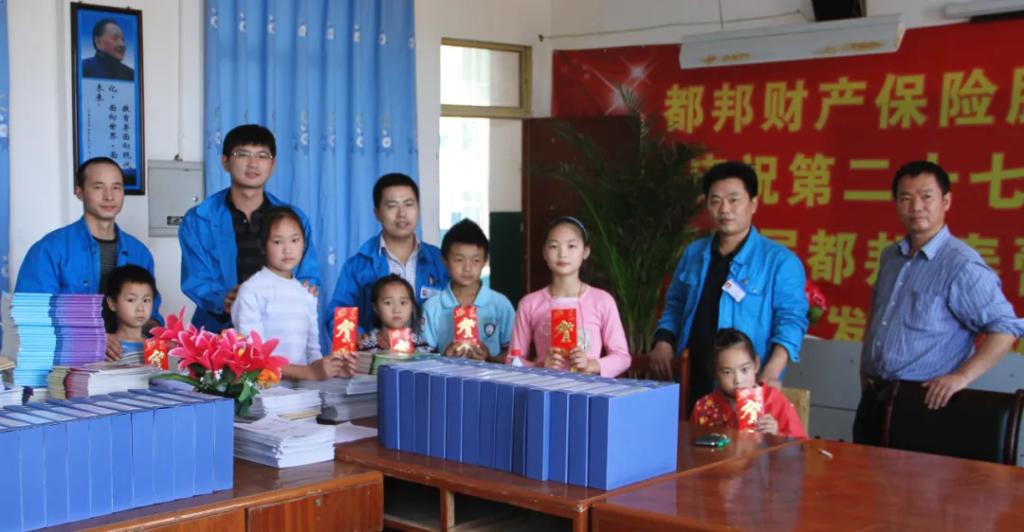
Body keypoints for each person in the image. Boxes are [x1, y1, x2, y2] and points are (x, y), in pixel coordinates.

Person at [854, 161, 1024, 444]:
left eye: (926, 197)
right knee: (861, 472)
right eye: (905, 198)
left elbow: (1006, 329)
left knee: (910, 475)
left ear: (946, 201)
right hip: (873, 398)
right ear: (895, 203)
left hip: (922, 404)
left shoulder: (961, 264)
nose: (916, 207)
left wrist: (961, 377)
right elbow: (878, 314)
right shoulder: (891, 257)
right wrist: (864, 368)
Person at [648, 161, 808, 415]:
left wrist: (771, 371)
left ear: (753, 204)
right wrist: (663, 341)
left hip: (745, 385)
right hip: (691, 378)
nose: (724, 209)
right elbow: (675, 304)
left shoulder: (780, 261)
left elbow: (791, 322)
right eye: (715, 201)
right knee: (687, 438)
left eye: (734, 200)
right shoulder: (693, 253)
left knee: (741, 440)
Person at [16, 156, 161, 360]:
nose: (109, 196)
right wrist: (94, 339)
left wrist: (157, 334)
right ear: (79, 191)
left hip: (128, 362)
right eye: (98, 187)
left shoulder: (140, 253)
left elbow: (151, 316)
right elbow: (31, 317)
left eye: (116, 187)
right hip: (68, 366)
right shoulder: (49, 250)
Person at [179, 124, 319, 333]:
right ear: (225, 161)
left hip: (279, 331)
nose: (253, 164)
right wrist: (223, 299)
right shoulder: (198, 219)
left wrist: (304, 291)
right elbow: (196, 279)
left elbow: (307, 274)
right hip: (217, 331)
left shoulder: (294, 219)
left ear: (272, 164)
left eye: (262, 155)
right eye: (242, 154)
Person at [231, 207, 353, 381]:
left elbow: (313, 353)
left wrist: (332, 369)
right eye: (277, 242)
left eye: (294, 240)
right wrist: (309, 372)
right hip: (263, 392)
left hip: (303, 393)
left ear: (304, 243)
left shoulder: (306, 294)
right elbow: (254, 357)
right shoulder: (251, 291)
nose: (287, 249)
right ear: (263, 246)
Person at [507, 217, 630, 377]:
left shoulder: (602, 301)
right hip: (545, 389)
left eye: (571, 246)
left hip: (589, 390)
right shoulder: (529, 304)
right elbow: (512, 360)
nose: (562, 254)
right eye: (554, 246)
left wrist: (591, 364)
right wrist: (539, 365)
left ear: (585, 252)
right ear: (544, 252)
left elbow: (622, 357)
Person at [326, 173, 447, 334]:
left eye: (409, 204)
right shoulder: (358, 266)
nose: (402, 213)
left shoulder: (440, 261)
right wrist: (364, 339)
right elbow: (337, 316)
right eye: (392, 206)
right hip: (376, 350)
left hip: (432, 350)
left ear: (418, 209)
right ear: (377, 213)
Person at [421, 219, 515, 362]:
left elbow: (515, 355)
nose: (467, 268)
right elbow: (422, 358)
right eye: (459, 260)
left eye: (475, 260)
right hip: (446, 376)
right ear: (444, 260)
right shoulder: (432, 307)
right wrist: (444, 358)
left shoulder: (500, 304)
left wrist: (490, 358)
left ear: (485, 261)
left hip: (491, 376)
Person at [690, 328, 807, 439]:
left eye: (744, 369)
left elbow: (801, 446)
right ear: (715, 374)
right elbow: (692, 446)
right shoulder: (704, 407)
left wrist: (776, 435)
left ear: (756, 365)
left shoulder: (775, 401)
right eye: (727, 372)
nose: (738, 380)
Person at [358, 274, 430, 353]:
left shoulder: (422, 347)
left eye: (403, 303)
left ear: (412, 307)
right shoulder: (363, 346)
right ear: (375, 308)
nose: (397, 310)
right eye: (388, 303)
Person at [103, 265, 157, 364]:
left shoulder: (156, 347)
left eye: (146, 300)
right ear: (112, 303)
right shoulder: (107, 347)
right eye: (131, 300)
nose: (140, 308)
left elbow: (160, 374)